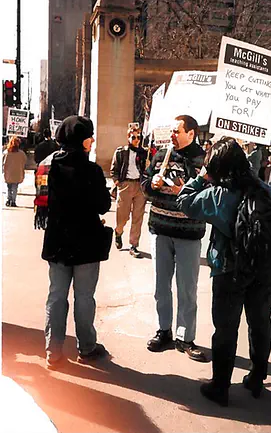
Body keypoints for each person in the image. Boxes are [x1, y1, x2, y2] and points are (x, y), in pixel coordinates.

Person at [177, 137, 271, 406]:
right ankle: (257, 377)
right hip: (263, 269)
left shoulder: (218, 195)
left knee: (225, 328)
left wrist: (201, 177)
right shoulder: (265, 190)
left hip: (229, 269)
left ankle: (220, 386)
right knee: (260, 322)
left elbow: (185, 202)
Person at [42, 116, 112, 370]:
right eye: (90, 136)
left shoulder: (51, 166)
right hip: (86, 242)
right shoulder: (91, 170)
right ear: (82, 139)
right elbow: (103, 205)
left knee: (56, 297)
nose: (92, 141)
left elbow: (45, 202)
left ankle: (54, 351)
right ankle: (86, 348)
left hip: (58, 241)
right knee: (84, 297)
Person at [142, 115, 207, 362]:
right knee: (161, 286)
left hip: (188, 233)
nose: (172, 135)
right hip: (160, 228)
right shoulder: (160, 155)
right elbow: (144, 184)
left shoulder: (203, 160)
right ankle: (164, 330)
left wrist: (187, 190)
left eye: (177, 131)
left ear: (191, 134)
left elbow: (210, 193)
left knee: (187, 288)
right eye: (171, 130)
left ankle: (186, 337)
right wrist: (152, 185)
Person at [110, 123, 147, 258]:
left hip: (139, 186)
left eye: (138, 137)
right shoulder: (121, 152)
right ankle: (118, 232)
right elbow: (113, 170)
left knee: (138, 217)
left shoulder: (144, 153)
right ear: (128, 137)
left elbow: (147, 170)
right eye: (133, 137)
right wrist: (117, 183)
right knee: (123, 216)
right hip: (125, 185)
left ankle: (134, 245)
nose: (136, 140)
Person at [2, 135, 27, 207]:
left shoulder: (6, 153)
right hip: (17, 173)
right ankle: (13, 201)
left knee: (8, 187)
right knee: (15, 187)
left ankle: (8, 200)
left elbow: (3, 162)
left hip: (8, 173)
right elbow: (24, 161)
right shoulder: (21, 153)